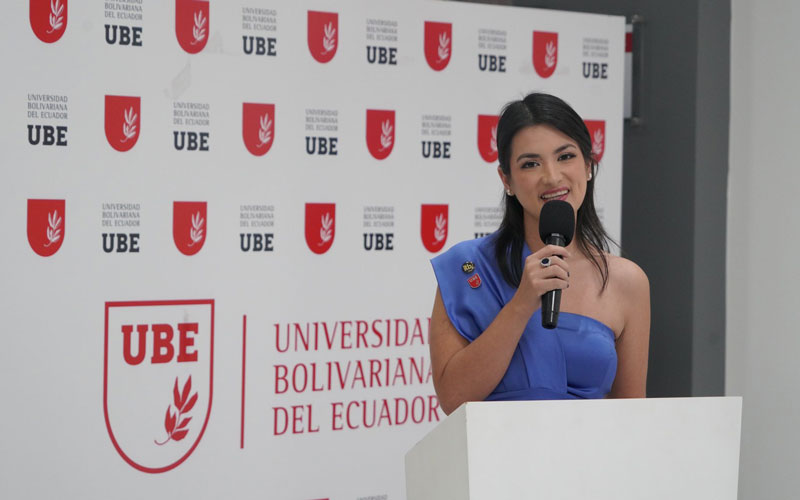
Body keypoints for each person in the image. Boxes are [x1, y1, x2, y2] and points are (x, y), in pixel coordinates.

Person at [429, 93, 650, 414]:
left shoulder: (626, 281)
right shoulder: (468, 269)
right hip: (494, 459)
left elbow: (633, 414)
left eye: (565, 157)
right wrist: (521, 304)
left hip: (590, 461)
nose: (552, 176)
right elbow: (453, 399)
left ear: (588, 166)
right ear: (506, 180)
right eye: (531, 164)